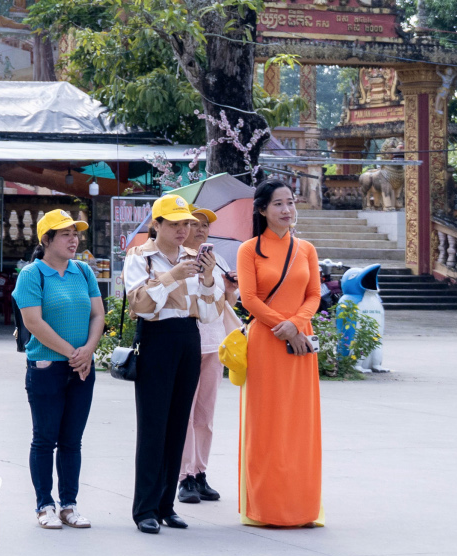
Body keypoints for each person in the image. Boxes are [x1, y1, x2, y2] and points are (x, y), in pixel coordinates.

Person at [123, 192, 229, 535]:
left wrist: (209, 279)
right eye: (174, 224)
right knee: (153, 426)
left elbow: (210, 311)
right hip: (156, 337)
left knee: (178, 424)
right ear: (156, 225)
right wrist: (173, 276)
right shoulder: (140, 257)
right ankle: (145, 508)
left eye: (186, 223)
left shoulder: (196, 258)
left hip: (188, 336)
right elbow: (140, 304)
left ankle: (166, 505)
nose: (183, 230)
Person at [235, 179, 324, 528]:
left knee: (301, 423)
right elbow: (249, 298)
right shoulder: (249, 250)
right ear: (262, 209)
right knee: (267, 423)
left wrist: (297, 325)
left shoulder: (306, 249)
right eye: (278, 204)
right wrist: (282, 325)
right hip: (266, 341)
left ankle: (302, 507)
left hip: (301, 341)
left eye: (290, 202)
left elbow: (314, 295)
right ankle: (267, 508)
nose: (287, 210)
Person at [13, 209, 102, 531]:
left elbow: (98, 315)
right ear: (47, 239)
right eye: (65, 234)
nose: (73, 240)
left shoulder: (83, 271)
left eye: (75, 234)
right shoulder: (31, 274)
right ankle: (44, 505)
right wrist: (72, 353)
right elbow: (34, 322)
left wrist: (88, 351)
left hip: (82, 366)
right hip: (47, 366)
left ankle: (69, 505)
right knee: (44, 438)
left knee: (72, 440)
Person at [177, 209, 239, 506]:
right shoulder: (178, 261)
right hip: (188, 344)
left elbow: (227, 304)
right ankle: (184, 476)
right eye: (194, 224)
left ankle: (200, 472)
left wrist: (231, 289)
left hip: (214, 344)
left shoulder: (219, 261)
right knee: (186, 414)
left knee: (205, 415)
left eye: (205, 226)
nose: (201, 230)